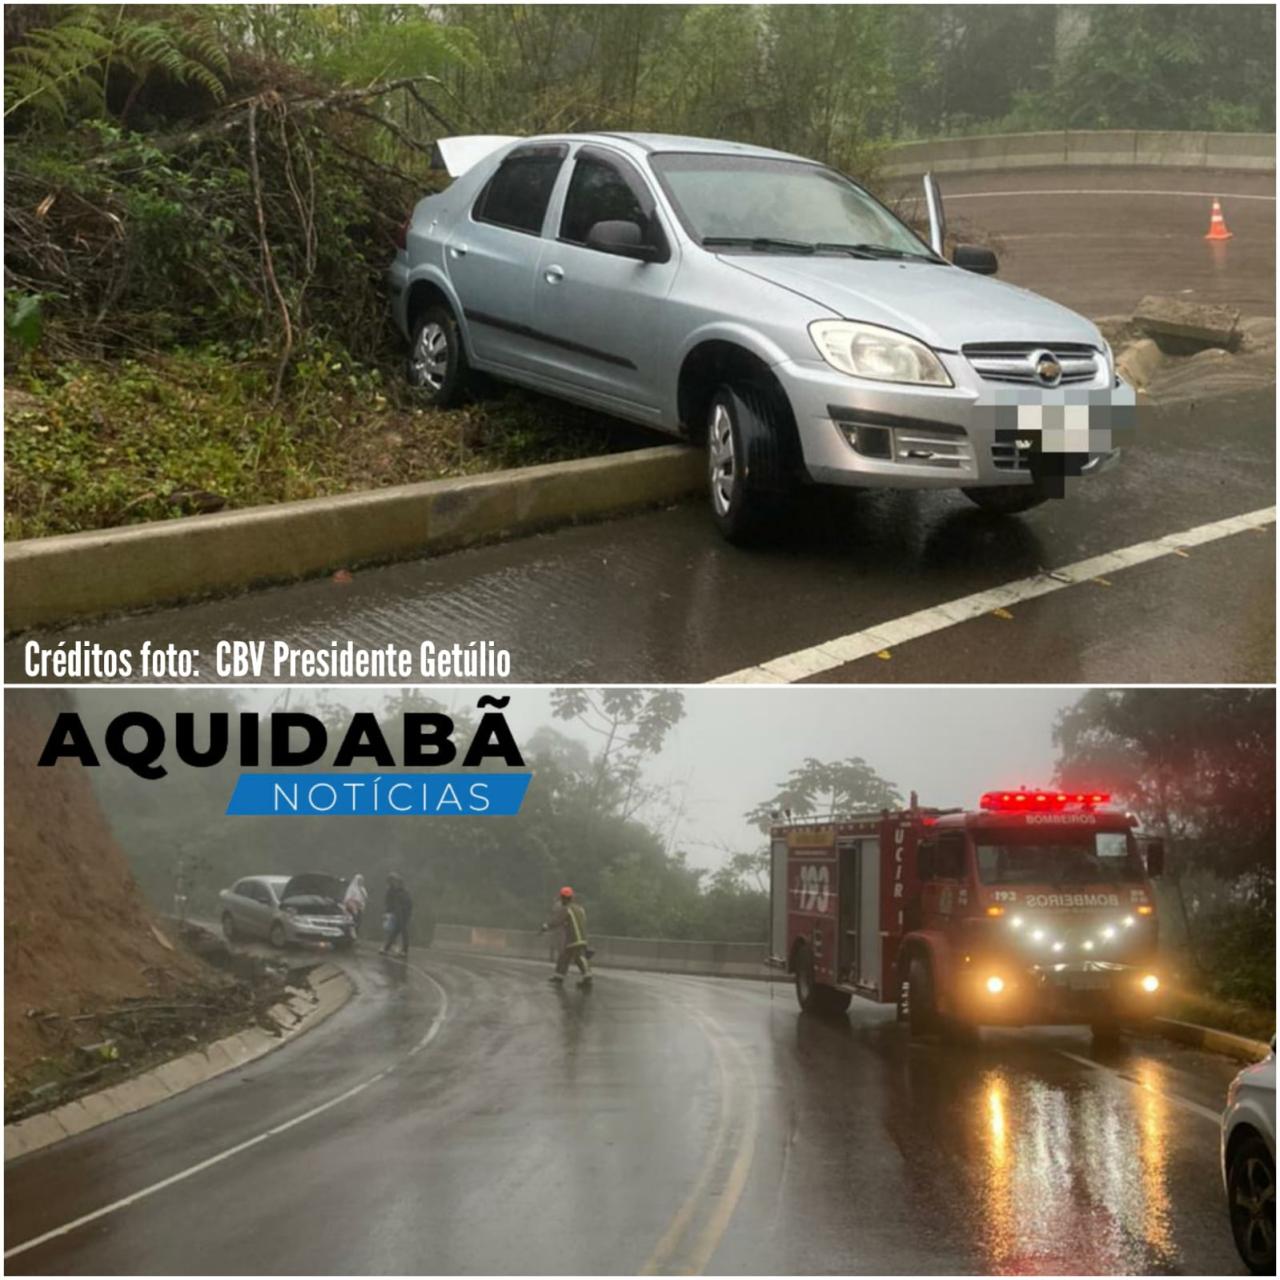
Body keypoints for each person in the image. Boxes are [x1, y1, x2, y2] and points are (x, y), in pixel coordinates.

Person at [540, 886, 592, 984]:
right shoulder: (580, 908)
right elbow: (583, 921)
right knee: (564, 956)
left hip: (574, 938)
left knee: (579, 957)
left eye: (562, 898)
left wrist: (546, 926)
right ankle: (559, 976)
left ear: (563, 898)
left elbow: (557, 921)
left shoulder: (566, 909)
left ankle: (587, 976)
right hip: (581, 937)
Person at [381, 872, 413, 957]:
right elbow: (390, 903)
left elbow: (408, 904)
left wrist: (405, 913)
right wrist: (388, 912)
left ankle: (403, 950)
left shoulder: (403, 891)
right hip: (397, 914)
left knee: (402, 932)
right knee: (395, 932)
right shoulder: (393, 890)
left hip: (403, 914)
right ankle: (387, 949)